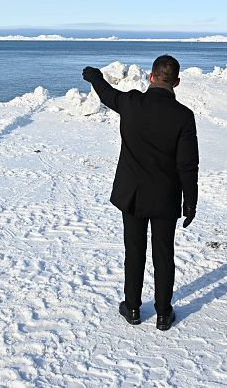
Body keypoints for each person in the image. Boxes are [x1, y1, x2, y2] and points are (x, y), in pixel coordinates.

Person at [82, 55, 198, 330]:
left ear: (151, 77)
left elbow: (107, 94)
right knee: (163, 255)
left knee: (134, 251)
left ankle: (132, 307)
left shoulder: (132, 102)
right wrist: (190, 202)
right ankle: (162, 312)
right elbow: (187, 164)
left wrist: (94, 75)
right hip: (166, 198)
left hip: (132, 195)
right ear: (177, 82)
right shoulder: (183, 116)